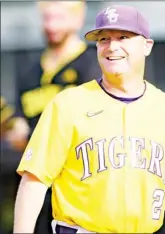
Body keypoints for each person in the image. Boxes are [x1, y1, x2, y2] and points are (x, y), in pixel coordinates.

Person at [13, 4, 165, 234]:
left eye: (123, 37)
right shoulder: (67, 105)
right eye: (103, 39)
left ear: (147, 46)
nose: (112, 47)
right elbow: (34, 180)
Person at [6, 1, 99, 234]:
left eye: (58, 18)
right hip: (36, 184)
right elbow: (19, 121)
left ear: (78, 19)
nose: (50, 25)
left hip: (80, 186)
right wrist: (16, 130)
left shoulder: (93, 64)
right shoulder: (29, 71)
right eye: (46, 18)